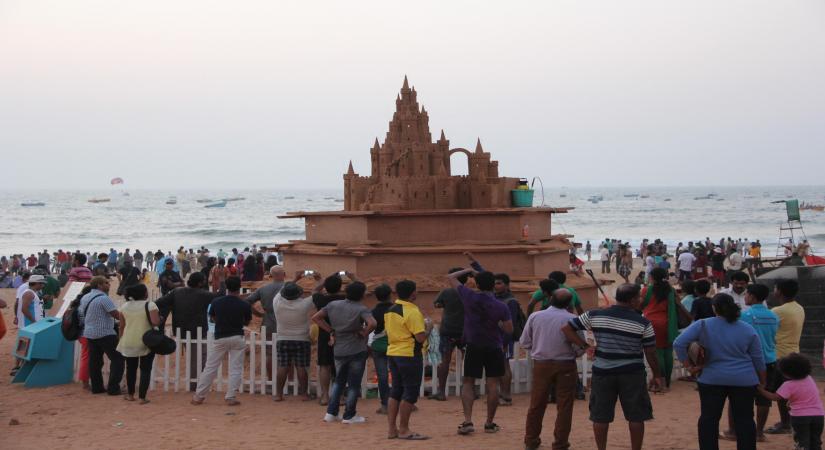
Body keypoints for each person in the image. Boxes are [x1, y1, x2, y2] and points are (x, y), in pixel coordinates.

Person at [563, 283, 663, 450]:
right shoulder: (643, 323)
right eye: (639, 297)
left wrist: (585, 345)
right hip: (632, 373)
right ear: (632, 300)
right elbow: (651, 352)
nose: (640, 300)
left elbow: (567, 328)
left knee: (600, 416)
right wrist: (657, 375)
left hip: (603, 372)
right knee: (636, 416)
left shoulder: (595, 314)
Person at [674, 293, 766, 450]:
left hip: (711, 378)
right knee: (744, 420)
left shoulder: (702, 324)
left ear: (714, 308)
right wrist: (762, 382)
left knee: (709, 418)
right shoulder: (747, 329)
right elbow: (758, 358)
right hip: (743, 379)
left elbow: (679, 343)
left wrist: (689, 366)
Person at [448, 268, 513, 435]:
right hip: (493, 346)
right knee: (493, 384)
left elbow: (451, 277)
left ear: (476, 283)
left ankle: (468, 421)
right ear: (493, 285)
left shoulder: (469, 296)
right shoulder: (501, 306)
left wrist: (469, 270)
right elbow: (508, 329)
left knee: (468, 382)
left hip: (474, 345)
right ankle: (489, 423)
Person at [521, 288, 581, 450]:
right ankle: (560, 443)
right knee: (565, 406)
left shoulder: (535, 317)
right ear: (569, 303)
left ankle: (531, 440)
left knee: (537, 404)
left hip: (542, 364)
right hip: (566, 363)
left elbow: (525, 342)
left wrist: (540, 346)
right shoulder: (572, 319)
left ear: (550, 299)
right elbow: (579, 346)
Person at [312, 281, 376, 424]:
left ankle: (331, 413)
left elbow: (316, 317)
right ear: (361, 294)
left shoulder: (333, 305)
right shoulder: (361, 308)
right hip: (356, 348)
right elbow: (372, 323)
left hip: (339, 348)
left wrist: (331, 330)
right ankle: (349, 415)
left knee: (339, 382)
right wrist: (364, 333)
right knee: (353, 384)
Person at [720, 283, 778, 441]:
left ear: (752, 296)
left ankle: (733, 431)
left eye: (746, 294)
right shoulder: (773, 316)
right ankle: (759, 433)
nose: (745, 297)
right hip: (770, 359)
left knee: (737, 398)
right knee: (764, 398)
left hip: (749, 361)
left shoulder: (745, 316)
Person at [191, 276, 251, 406]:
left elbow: (212, 318)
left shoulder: (216, 301)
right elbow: (246, 321)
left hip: (220, 337)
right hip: (237, 336)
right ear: (239, 287)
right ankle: (230, 397)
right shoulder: (244, 304)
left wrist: (221, 322)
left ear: (227, 287)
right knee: (235, 368)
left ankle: (199, 396)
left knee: (210, 367)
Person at [384, 279, 431, 440]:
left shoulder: (391, 309)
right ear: (413, 293)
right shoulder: (412, 311)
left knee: (396, 390)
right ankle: (404, 429)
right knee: (410, 392)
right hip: (409, 354)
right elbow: (419, 338)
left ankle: (392, 429)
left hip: (393, 352)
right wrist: (428, 329)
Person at [155, 272, 217, 390]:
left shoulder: (176, 292)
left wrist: (161, 317)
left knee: (197, 357)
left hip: (180, 330)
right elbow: (220, 296)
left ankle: (198, 383)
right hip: (197, 331)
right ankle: (196, 385)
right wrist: (223, 281)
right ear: (200, 283)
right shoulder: (204, 294)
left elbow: (159, 303)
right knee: (199, 358)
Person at [271, 274, 321, 401]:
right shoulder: (304, 304)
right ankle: (304, 394)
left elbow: (281, 290)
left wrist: (295, 278)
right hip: (302, 339)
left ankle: (278, 394)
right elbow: (316, 292)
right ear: (298, 294)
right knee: (301, 366)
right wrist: (320, 280)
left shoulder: (277, 302)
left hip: (283, 338)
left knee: (283, 366)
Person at [758, 353, 824, 450]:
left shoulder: (788, 385)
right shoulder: (809, 379)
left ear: (786, 372)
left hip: (800, 417)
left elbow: (775, 397)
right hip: (818, 416)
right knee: (816, 443)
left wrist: (761, 390)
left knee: (802, 443)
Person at [641, 267, 692, 390]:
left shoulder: (646, 290)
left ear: (652, 277)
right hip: (669, 323)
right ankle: (667, 381)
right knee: (667, 352)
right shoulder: (670, 290)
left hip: (651, 323)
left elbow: (641, 305)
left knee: (657, 352)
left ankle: (661, 381)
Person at [766, 278, 805, 435]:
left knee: (781, 393)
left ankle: (785, 423)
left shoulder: (778, 311)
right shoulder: (799, 308)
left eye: (775, 288)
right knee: (791, 390)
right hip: (794, 352)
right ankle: (790, 421)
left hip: (780, 355)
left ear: (779, 292)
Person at [312, 272, 355, 405]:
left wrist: (323, 280)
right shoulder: (346, 298)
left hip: (325, 334)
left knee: (325, 365)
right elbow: (360, 287)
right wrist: (352, 277)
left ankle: (325, 396)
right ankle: (340, 396)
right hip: (342, 334)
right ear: (340, 286)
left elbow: (314, 290)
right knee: (340, 366)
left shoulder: (320, 299)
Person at [79, 276, 124, 395]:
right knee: (118, 359)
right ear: (99, 285)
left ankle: (97, 387)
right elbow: (115, 314)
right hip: (105, 333)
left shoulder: (85, 297)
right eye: (106, 283)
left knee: (95, 361)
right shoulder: (104, 298)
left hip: (90, 333)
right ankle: (113, 388)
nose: (108, 285)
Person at [117, 284, 160, 404]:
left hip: (128, 340)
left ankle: (130, 395)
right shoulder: (150, 305)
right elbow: (155, 322)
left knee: (130, 368)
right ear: (144, 293)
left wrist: (121, 339)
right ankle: (142, 397)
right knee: (145, 369)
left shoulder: (124, 306)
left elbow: (121, 326)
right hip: (146, 340)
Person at [246, 265, 286, 386]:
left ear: (271, 276)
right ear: (284, 275)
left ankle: (270, 379)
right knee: (286, 354)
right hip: (285, 322)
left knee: (270, 353)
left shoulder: (263, 289)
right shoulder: (288, 287)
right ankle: (285, 382)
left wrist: (259, 314)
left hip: (267, 322)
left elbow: (248, 301)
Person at [430, 267, 467, 401]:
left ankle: (441, 392)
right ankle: (469, 391)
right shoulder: (469, 293)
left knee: (444, 361)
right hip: (465, 331)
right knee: (467, 361)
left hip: (448, 331)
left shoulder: (446, 292)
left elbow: (437, 304)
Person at [370, 283, 394, 414]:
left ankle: (385, 405)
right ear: (390, 295)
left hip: (378, 346)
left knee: (382, 376)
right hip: (394, 345)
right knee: (397, 376)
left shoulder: (373, 311)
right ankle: (400, 402)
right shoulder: (396, 309)